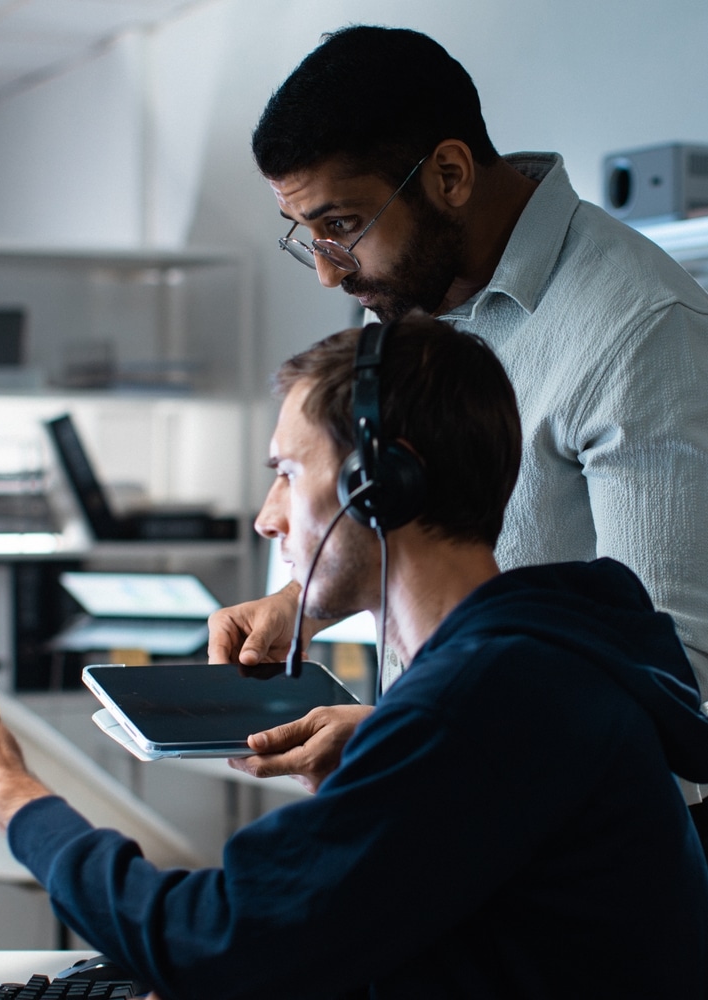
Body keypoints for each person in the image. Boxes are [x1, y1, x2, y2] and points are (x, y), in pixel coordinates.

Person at [0, 314, 708, 998]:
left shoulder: (484, 698)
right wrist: (378, 771)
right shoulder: (536, 661)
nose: (265, 518)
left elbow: (214, 940)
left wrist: (6, 793)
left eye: (285, 473)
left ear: (378, 485)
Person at [208, 24, 708, 810]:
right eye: (306, 236)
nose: (327, 274)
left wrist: (398, 733)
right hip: (453, 813)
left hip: (576, 857)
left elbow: (671, 684)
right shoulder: (411, 299)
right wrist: (306, 600)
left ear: (447, 174)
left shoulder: (643, 329)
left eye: (341, 226)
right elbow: (422, 530)